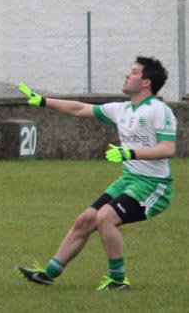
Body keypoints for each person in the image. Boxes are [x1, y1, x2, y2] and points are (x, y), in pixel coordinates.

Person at [17, 56, 177, 292]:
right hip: (129, 181)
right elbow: (80, 108)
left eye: (133, 72)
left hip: (155, 186)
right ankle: (48, 274)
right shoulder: (120, 109)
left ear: (146, 82)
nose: (126, 75)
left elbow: (168, 148)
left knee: (105, 218)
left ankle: (118, 280)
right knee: (85, 221)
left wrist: (129, 154)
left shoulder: (159, 110)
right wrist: (43, 101)